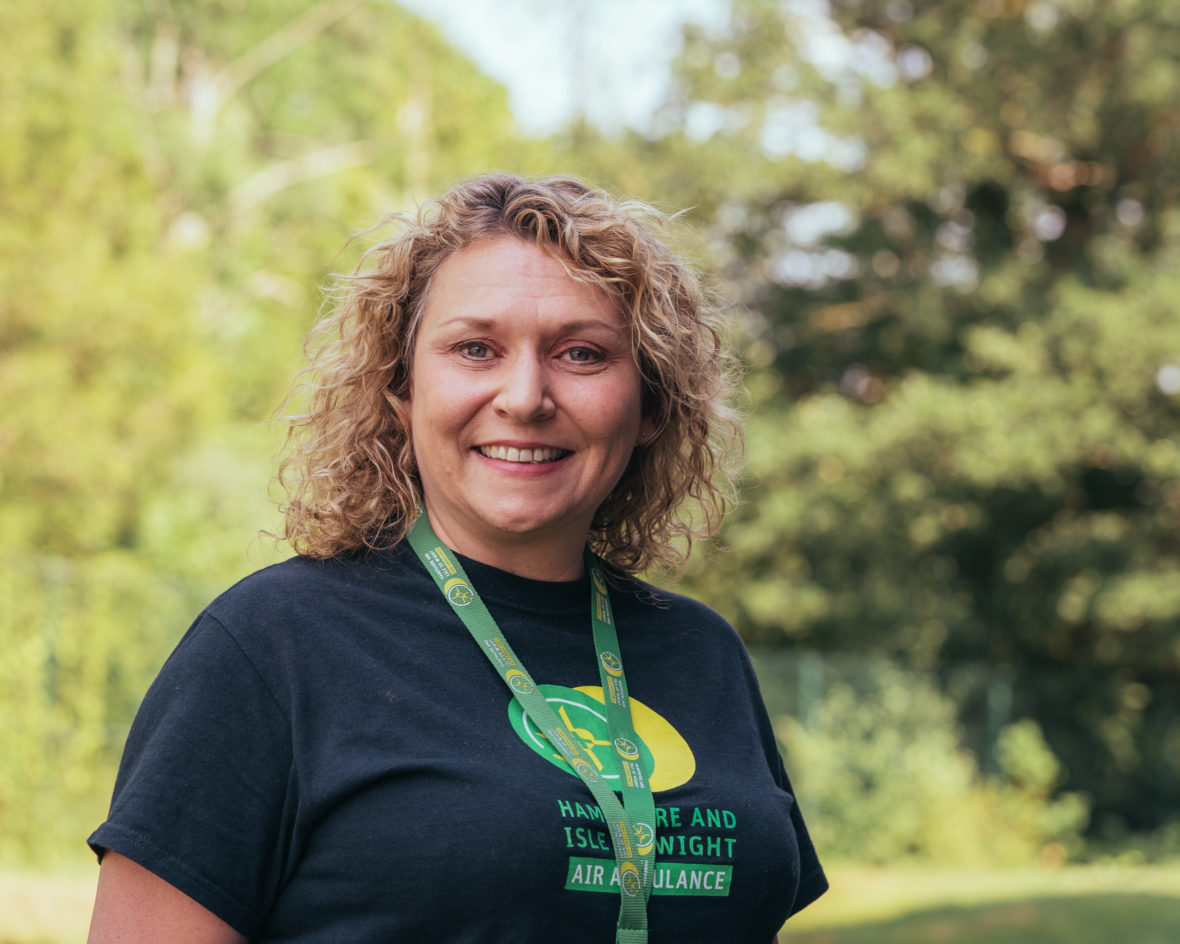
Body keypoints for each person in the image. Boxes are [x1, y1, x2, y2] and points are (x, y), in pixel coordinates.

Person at [86, 173, 827, 943]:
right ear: (401, 391)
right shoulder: (272, 645)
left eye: (581, 353)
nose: (525, 395)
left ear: (649, 406)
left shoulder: (703, 652)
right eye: (476, 349)